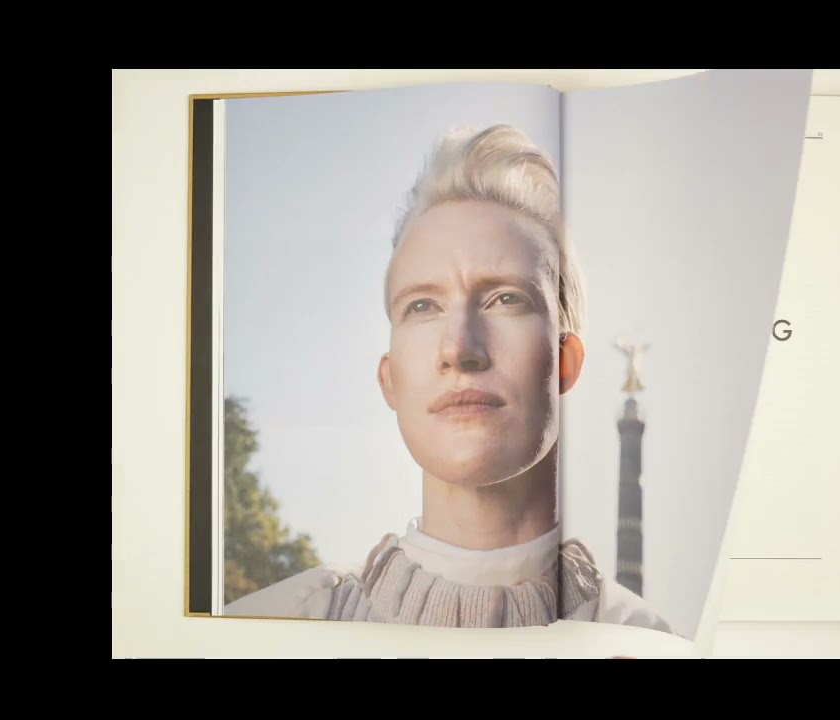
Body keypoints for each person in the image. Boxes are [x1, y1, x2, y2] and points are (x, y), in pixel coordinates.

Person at [223, 124, 674, 634]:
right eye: (423, 305)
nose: (460, 349)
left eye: (505, 299)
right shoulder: (262, 632)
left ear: (566, 363)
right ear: (389, 379)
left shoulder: (650, 642)